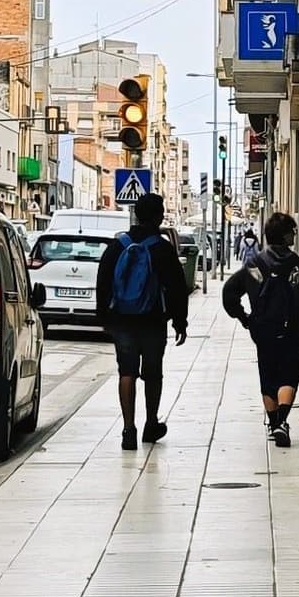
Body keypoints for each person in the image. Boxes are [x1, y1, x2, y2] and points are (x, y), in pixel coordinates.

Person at [99, 191, 195, 450]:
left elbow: (103, 282)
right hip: (152, 321)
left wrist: (104, 318)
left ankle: (128, 430)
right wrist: (180, 322)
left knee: (126, 371)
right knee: (153, 373)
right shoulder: (162, 248)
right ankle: (151, 424)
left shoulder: (117, 246)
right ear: (157, 216)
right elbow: (177, 287)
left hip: (122, 320)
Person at [221, 211, 299, 447]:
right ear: (285, 235)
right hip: (292, 330)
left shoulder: (255, 265)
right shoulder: (298, 266)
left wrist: (244, 317)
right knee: (289, 374)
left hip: (262, 329)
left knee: (268, 376)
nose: (294, 236)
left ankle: (274, 422)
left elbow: (229, 292)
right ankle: (281, 422)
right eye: (292, 232)